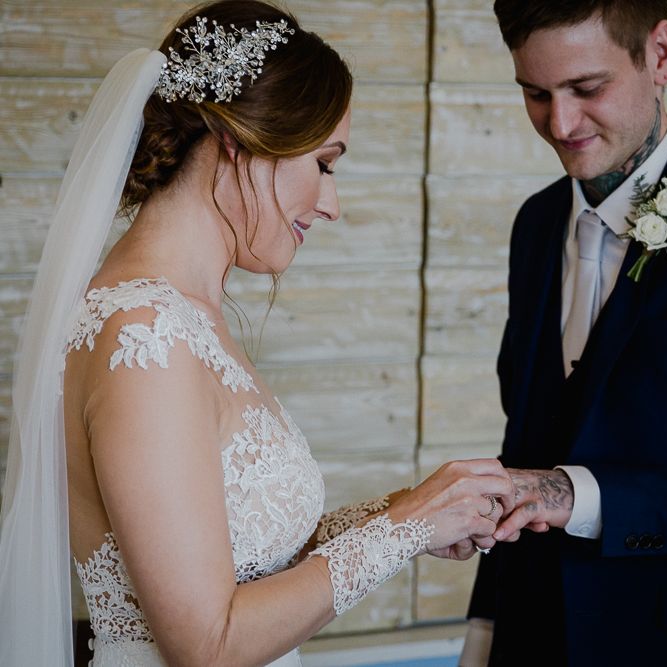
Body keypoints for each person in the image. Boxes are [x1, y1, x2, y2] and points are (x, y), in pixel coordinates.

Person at [0, 2, 517, 665]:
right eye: (325, 164)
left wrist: (414, 512)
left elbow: (246, 560)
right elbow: (207, 644)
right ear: (239, 142)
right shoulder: (145, 337)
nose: (331, 204)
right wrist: (403, 527)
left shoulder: (185, 317)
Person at [461, 1, 667, 665]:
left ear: (659, 55)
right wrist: (485, 627)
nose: (560, 124)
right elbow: (523, 439)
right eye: (534, 93)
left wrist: (573, 493)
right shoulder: (534, 223)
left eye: (586, 88)